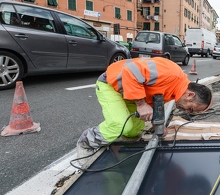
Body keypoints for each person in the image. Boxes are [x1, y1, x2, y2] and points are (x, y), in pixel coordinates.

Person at [76, 57, 212, 164]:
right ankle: (87, 142)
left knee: (133, 130)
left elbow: (154, 100)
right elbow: (130, 71)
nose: (187, 112)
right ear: (190, 95)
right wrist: (141, 105)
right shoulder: (170, 73)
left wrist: (157, 124)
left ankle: (115, 141)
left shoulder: (177, 90)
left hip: (130, 92)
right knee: (119, 124)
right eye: (191, 108)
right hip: (111, 84)